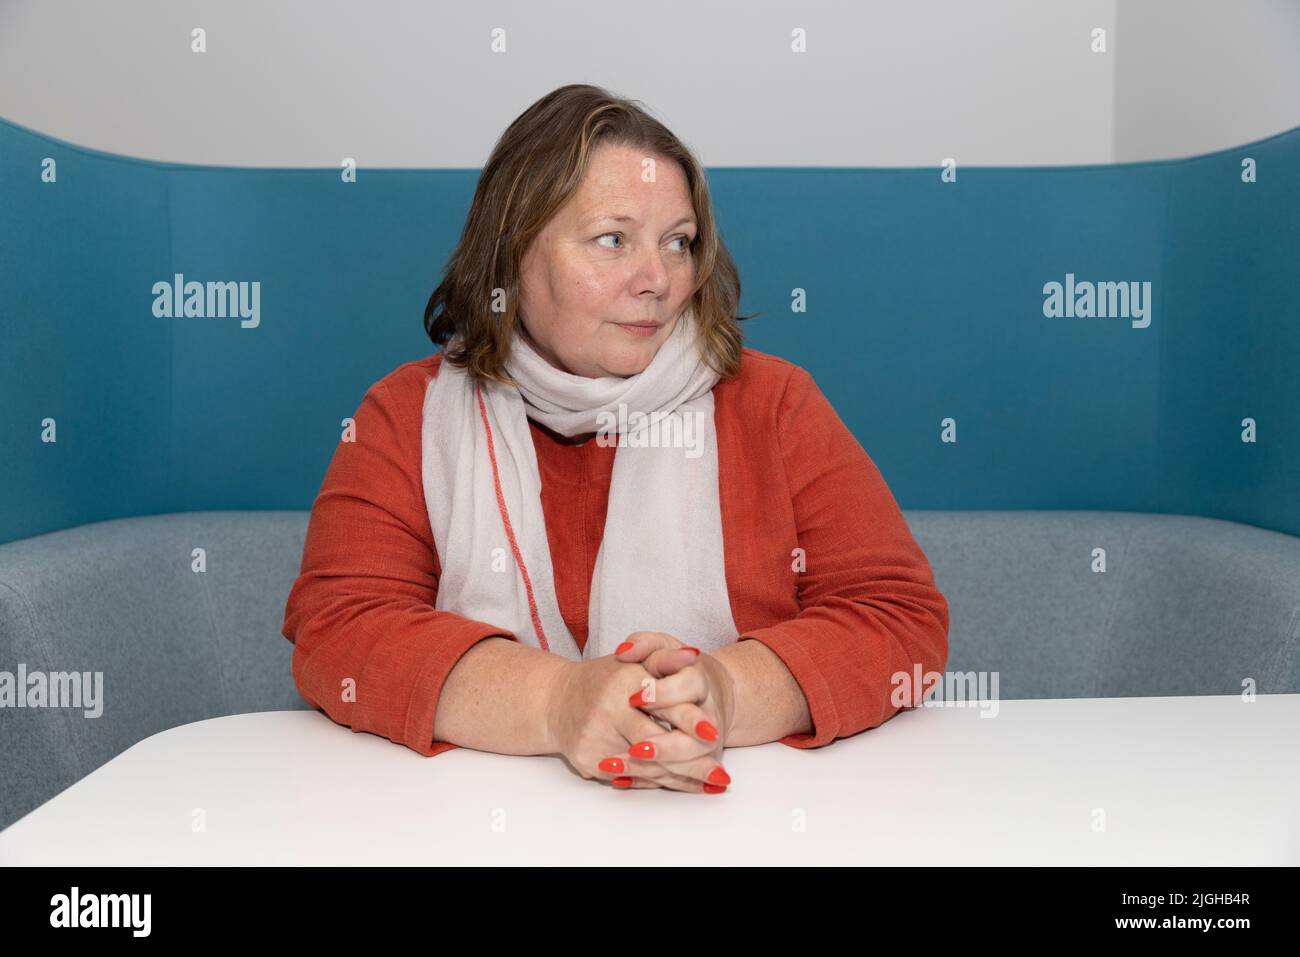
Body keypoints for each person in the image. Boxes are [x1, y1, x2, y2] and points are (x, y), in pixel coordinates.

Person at [281, 83, 950, 795]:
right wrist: (555, 702)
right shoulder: (405, 414)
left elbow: (898, 618)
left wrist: (723, 690)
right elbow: (340, 629)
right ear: (512, 254)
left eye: (678, 242)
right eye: (612, 239)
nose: (659, 279)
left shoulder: (774, 404)